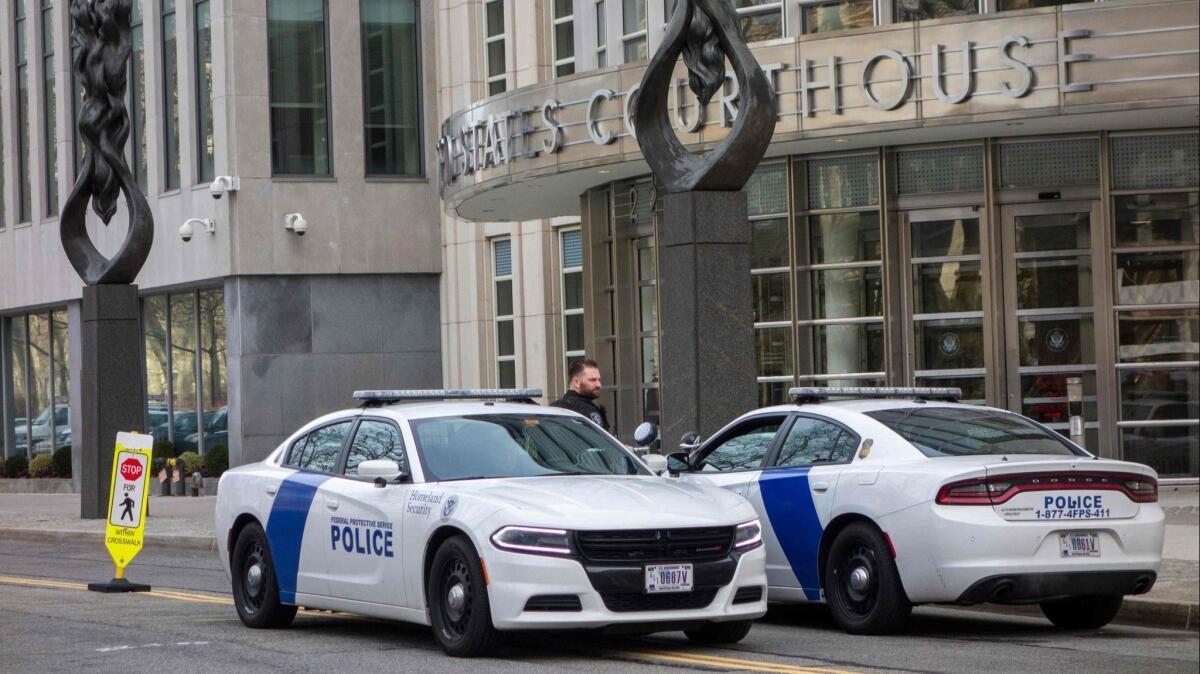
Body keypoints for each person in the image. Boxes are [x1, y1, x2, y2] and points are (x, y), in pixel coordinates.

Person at [551, 359, 610, 431]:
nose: (598, 385)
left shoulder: (553, 408)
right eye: (592, 380)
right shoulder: (586, 410)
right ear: (576, 382)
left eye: (599, 380)